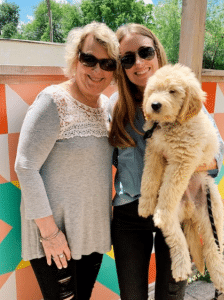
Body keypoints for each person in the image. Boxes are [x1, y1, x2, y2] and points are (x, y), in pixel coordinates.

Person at [108, 23, 224, 300]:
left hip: (177, 209)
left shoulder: (183, 95)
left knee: (171, 295)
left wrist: (178, 161)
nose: (138, 63)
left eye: (145, 52)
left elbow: (215, 158)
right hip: (129, 213)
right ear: (121, 66)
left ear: (157, 52)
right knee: (132, 296)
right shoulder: (115, 105)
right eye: (127, 58)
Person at [15, 21, 119, 300]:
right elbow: (25, 166)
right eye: (89, 59)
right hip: (56, 237)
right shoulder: (53, 100)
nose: (98, 70)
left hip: (92, 234)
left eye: (107, 63)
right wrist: (50, 234)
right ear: (75, 59)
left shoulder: (106, 106)